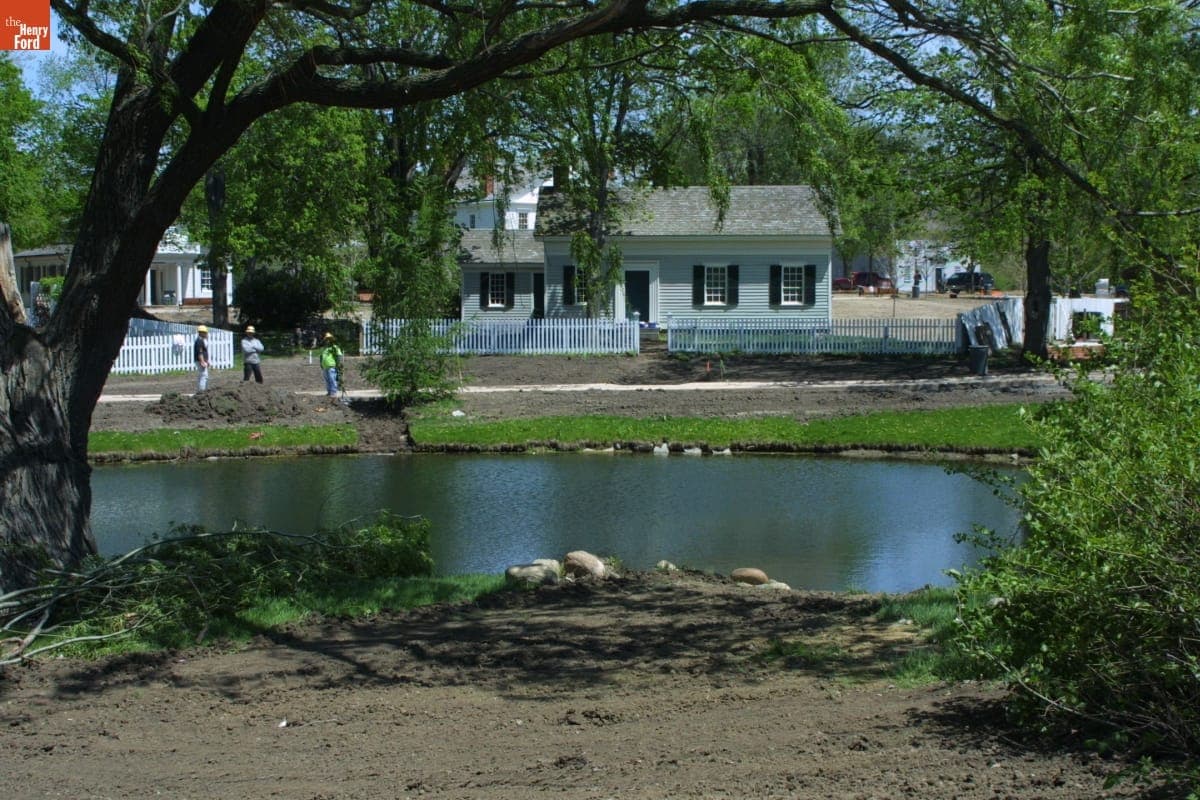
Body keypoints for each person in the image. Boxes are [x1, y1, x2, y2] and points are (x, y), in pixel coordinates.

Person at [319, 331, 344, 400]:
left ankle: (333, 392)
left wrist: (338, 363)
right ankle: (329, 392)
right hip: (325, 366)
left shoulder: (334, 347)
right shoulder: (324, 348)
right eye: (326, 339)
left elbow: (339, 355)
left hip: (331, 366)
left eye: (329, 339)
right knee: (327, 380)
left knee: (332, 379)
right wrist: (321, 363)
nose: (328, 341)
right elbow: (321, 357)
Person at [193, 324, 210, 391]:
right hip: (200, 361)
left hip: (201, 360)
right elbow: (200, 353)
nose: (206, 334)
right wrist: (202, 361)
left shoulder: (201, 340)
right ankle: (202, 391)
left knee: (202, 375)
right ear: (201, 333)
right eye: (205, 333)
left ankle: (201, 390)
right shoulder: (199, 341)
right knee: (204, 376)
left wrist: (206, 361)